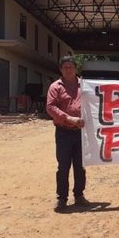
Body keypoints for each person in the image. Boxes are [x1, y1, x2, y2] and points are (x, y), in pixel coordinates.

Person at [46, 56, 89, 212]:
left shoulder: (85, 86)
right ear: (61, 69)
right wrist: (68, 118)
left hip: (81, 133)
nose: (69, 70)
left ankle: (79, 195)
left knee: (80, 166)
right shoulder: (55, 87)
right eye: (65, 67)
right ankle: (62, 199)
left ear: (76, 68)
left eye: (71, 67)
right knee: (63, 167)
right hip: (63, 132)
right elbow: (50, 107)